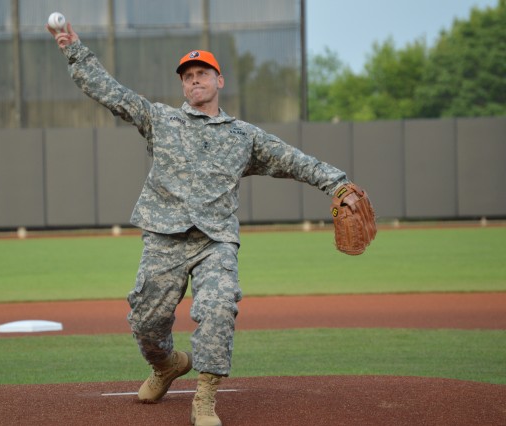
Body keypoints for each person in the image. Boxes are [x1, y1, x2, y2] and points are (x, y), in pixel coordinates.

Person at [48, 22, 362, 426]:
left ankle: (205, 397)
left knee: (218, 305)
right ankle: (166, 365)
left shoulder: (244, 137)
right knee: (146, 323)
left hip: (215, 241)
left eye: (202, 74)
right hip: (164, 239)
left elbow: (295, 160)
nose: (194, 81)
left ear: (219, 80)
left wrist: (338, 183)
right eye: (188, 76)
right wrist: (74, 49)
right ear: (183, 85)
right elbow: (108, 90)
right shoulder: (159, 119)